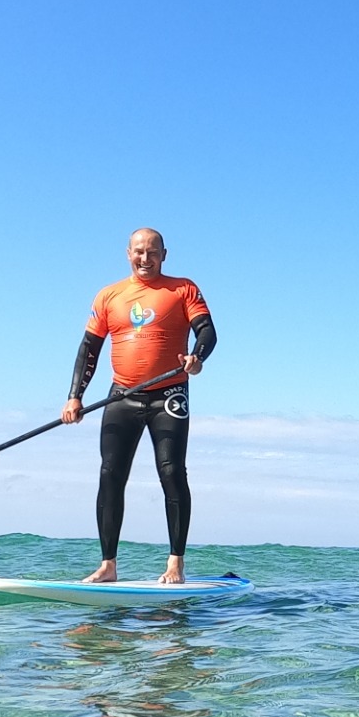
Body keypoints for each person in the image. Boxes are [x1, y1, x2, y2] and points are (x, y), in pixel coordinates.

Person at [62, 228, 215, 584]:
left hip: (169, 395)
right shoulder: (109, 295)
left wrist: (197, 357)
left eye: (153, 252)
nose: (145, 259)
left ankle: (175, 563)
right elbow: (89, 349)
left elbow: (207, 331)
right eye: (139, 252)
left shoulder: (183, 288)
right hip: (122, 396)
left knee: (171, 471)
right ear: (128, 253)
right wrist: (74, 396)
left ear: (165, 254)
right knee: (110, 475)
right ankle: (108, 565)